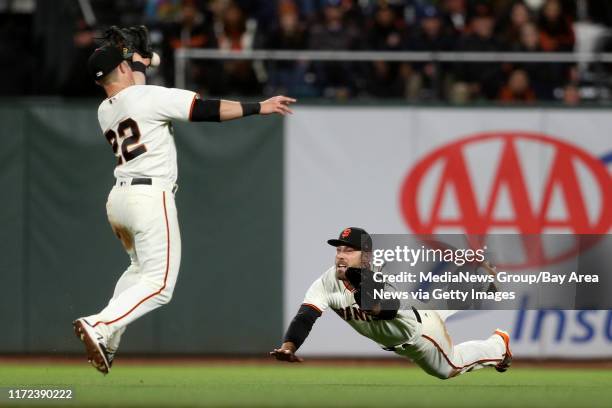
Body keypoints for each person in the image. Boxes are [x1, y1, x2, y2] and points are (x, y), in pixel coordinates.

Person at [74, 42, 296, 375]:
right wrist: (258, 107)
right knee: (160, 286)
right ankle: (100, 325)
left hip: (119, 199)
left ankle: (108, 339)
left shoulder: (106, 108)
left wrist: (138, 63)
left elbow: (135, 89)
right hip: (149, 196)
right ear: (122, 69)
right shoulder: (145, 97)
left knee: (139, 272)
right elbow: (205, 108)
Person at [271, 227, 512, 379]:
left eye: (349, 251)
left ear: (366, 256)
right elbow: (305, 316)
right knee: (444, 301)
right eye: (339, 250)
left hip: (418, 331)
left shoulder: (381, 274)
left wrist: (365, 296)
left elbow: (385, 309)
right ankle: (484, 284)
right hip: (417, 311)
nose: (341, 255)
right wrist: (289, 346)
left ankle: (498, 347)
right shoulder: (327, 282)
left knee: (448, 368)